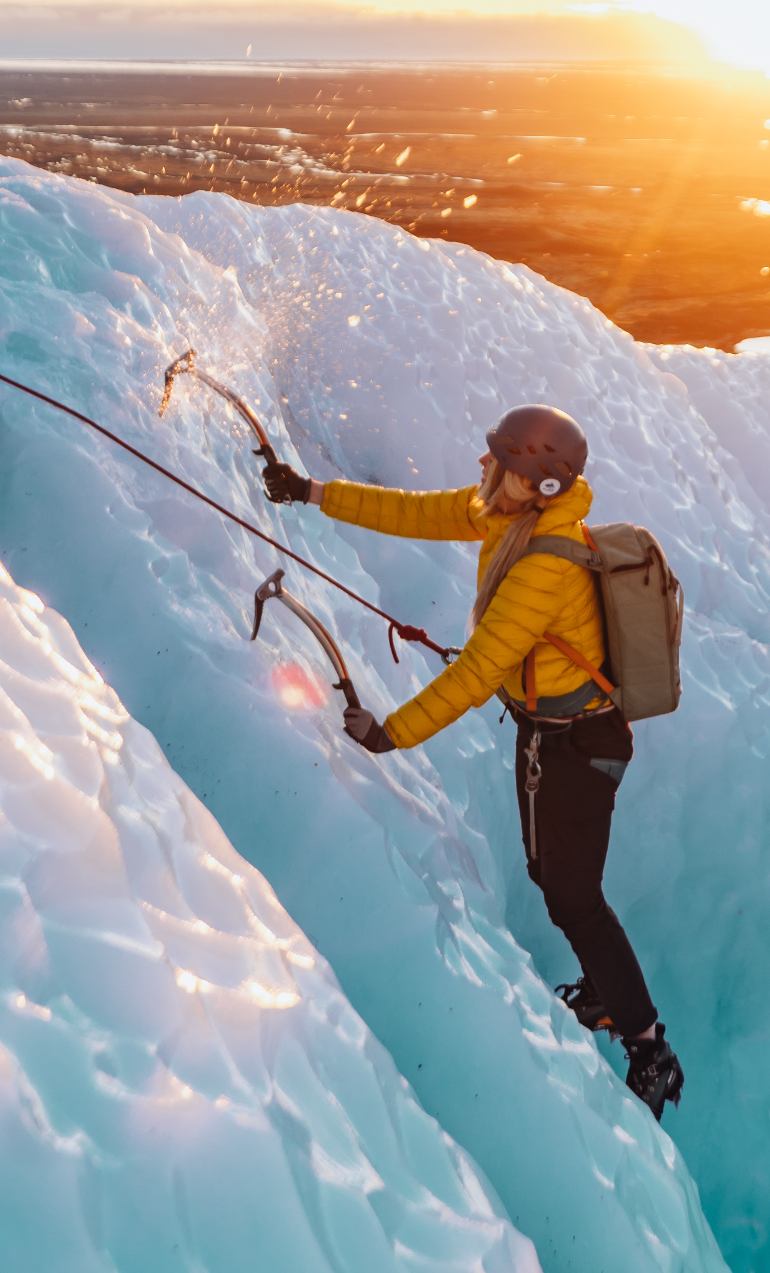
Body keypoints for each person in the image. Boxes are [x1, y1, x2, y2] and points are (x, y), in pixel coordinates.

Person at [262, 404, 684, 1118]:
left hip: (582, 742)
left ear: (538, 485)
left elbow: (481, 669)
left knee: (572, 895)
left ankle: (647, 1045)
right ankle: (601, 990)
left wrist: (389, 733)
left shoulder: (544, 565)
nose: (483, 466)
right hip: (549, 732)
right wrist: (310, 492)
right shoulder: (510, 517)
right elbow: (418, 514)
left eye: (501, 462)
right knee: (551, 877)